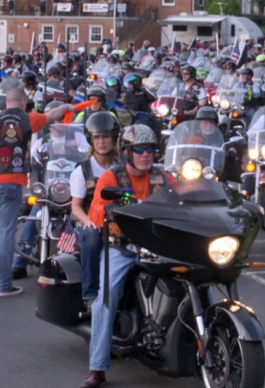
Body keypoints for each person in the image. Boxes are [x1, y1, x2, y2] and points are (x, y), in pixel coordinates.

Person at [80, 125, 174, 388]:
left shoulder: (163, 177)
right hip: (122, 247)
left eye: (150, 149)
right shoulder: (111, 178)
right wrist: (113, 208)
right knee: (106, 298)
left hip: (158, 248)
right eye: (139, 150)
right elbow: (97, 209)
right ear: (126, 152)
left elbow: (183, 199)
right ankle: (97, 368)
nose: (146, 155)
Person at [0, 89, 74, 296]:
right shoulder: (28, 118)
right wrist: (66, 107)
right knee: (5, 232)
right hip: (11, 182)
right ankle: (4, 285)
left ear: (7, 102)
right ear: (23, 103)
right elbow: (52, 116)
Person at [69, 112, 119, 305]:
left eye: (105, 137)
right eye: (97, 138)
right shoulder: (82, 170)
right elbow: (76, 207)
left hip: (117, 221)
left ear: (114, 139)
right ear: (91, 140)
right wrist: (89, 221)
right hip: (90, 221)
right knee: (91, 238)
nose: (101, 142)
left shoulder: (121, 168)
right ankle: (89, 294)